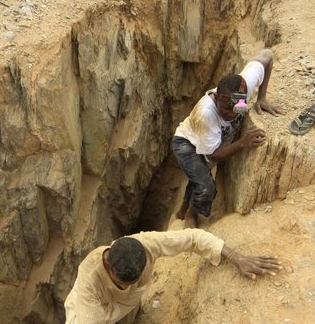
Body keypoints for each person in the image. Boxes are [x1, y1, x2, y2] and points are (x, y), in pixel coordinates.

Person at [64, 229, 281, 324]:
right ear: (109, 268)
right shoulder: (88, 284)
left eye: (137, 280)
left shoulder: (145, 244)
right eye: (124, 283)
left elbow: (192, 238)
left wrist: (236, 256)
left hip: (126, 307)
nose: (135, 284)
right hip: (93, 312)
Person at [172, 49, 284, 227]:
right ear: (216, 97)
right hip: (187, 143)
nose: (231, 114)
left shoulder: (243, 89)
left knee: (200, 175)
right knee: (206, 186)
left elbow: (267, 56)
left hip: (210, 140)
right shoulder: (205, 115)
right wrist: (242, 143)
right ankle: (191, 215)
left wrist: (261, 97)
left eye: (236, 108)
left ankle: (184, 208)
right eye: (225, 108)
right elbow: (214, 156)